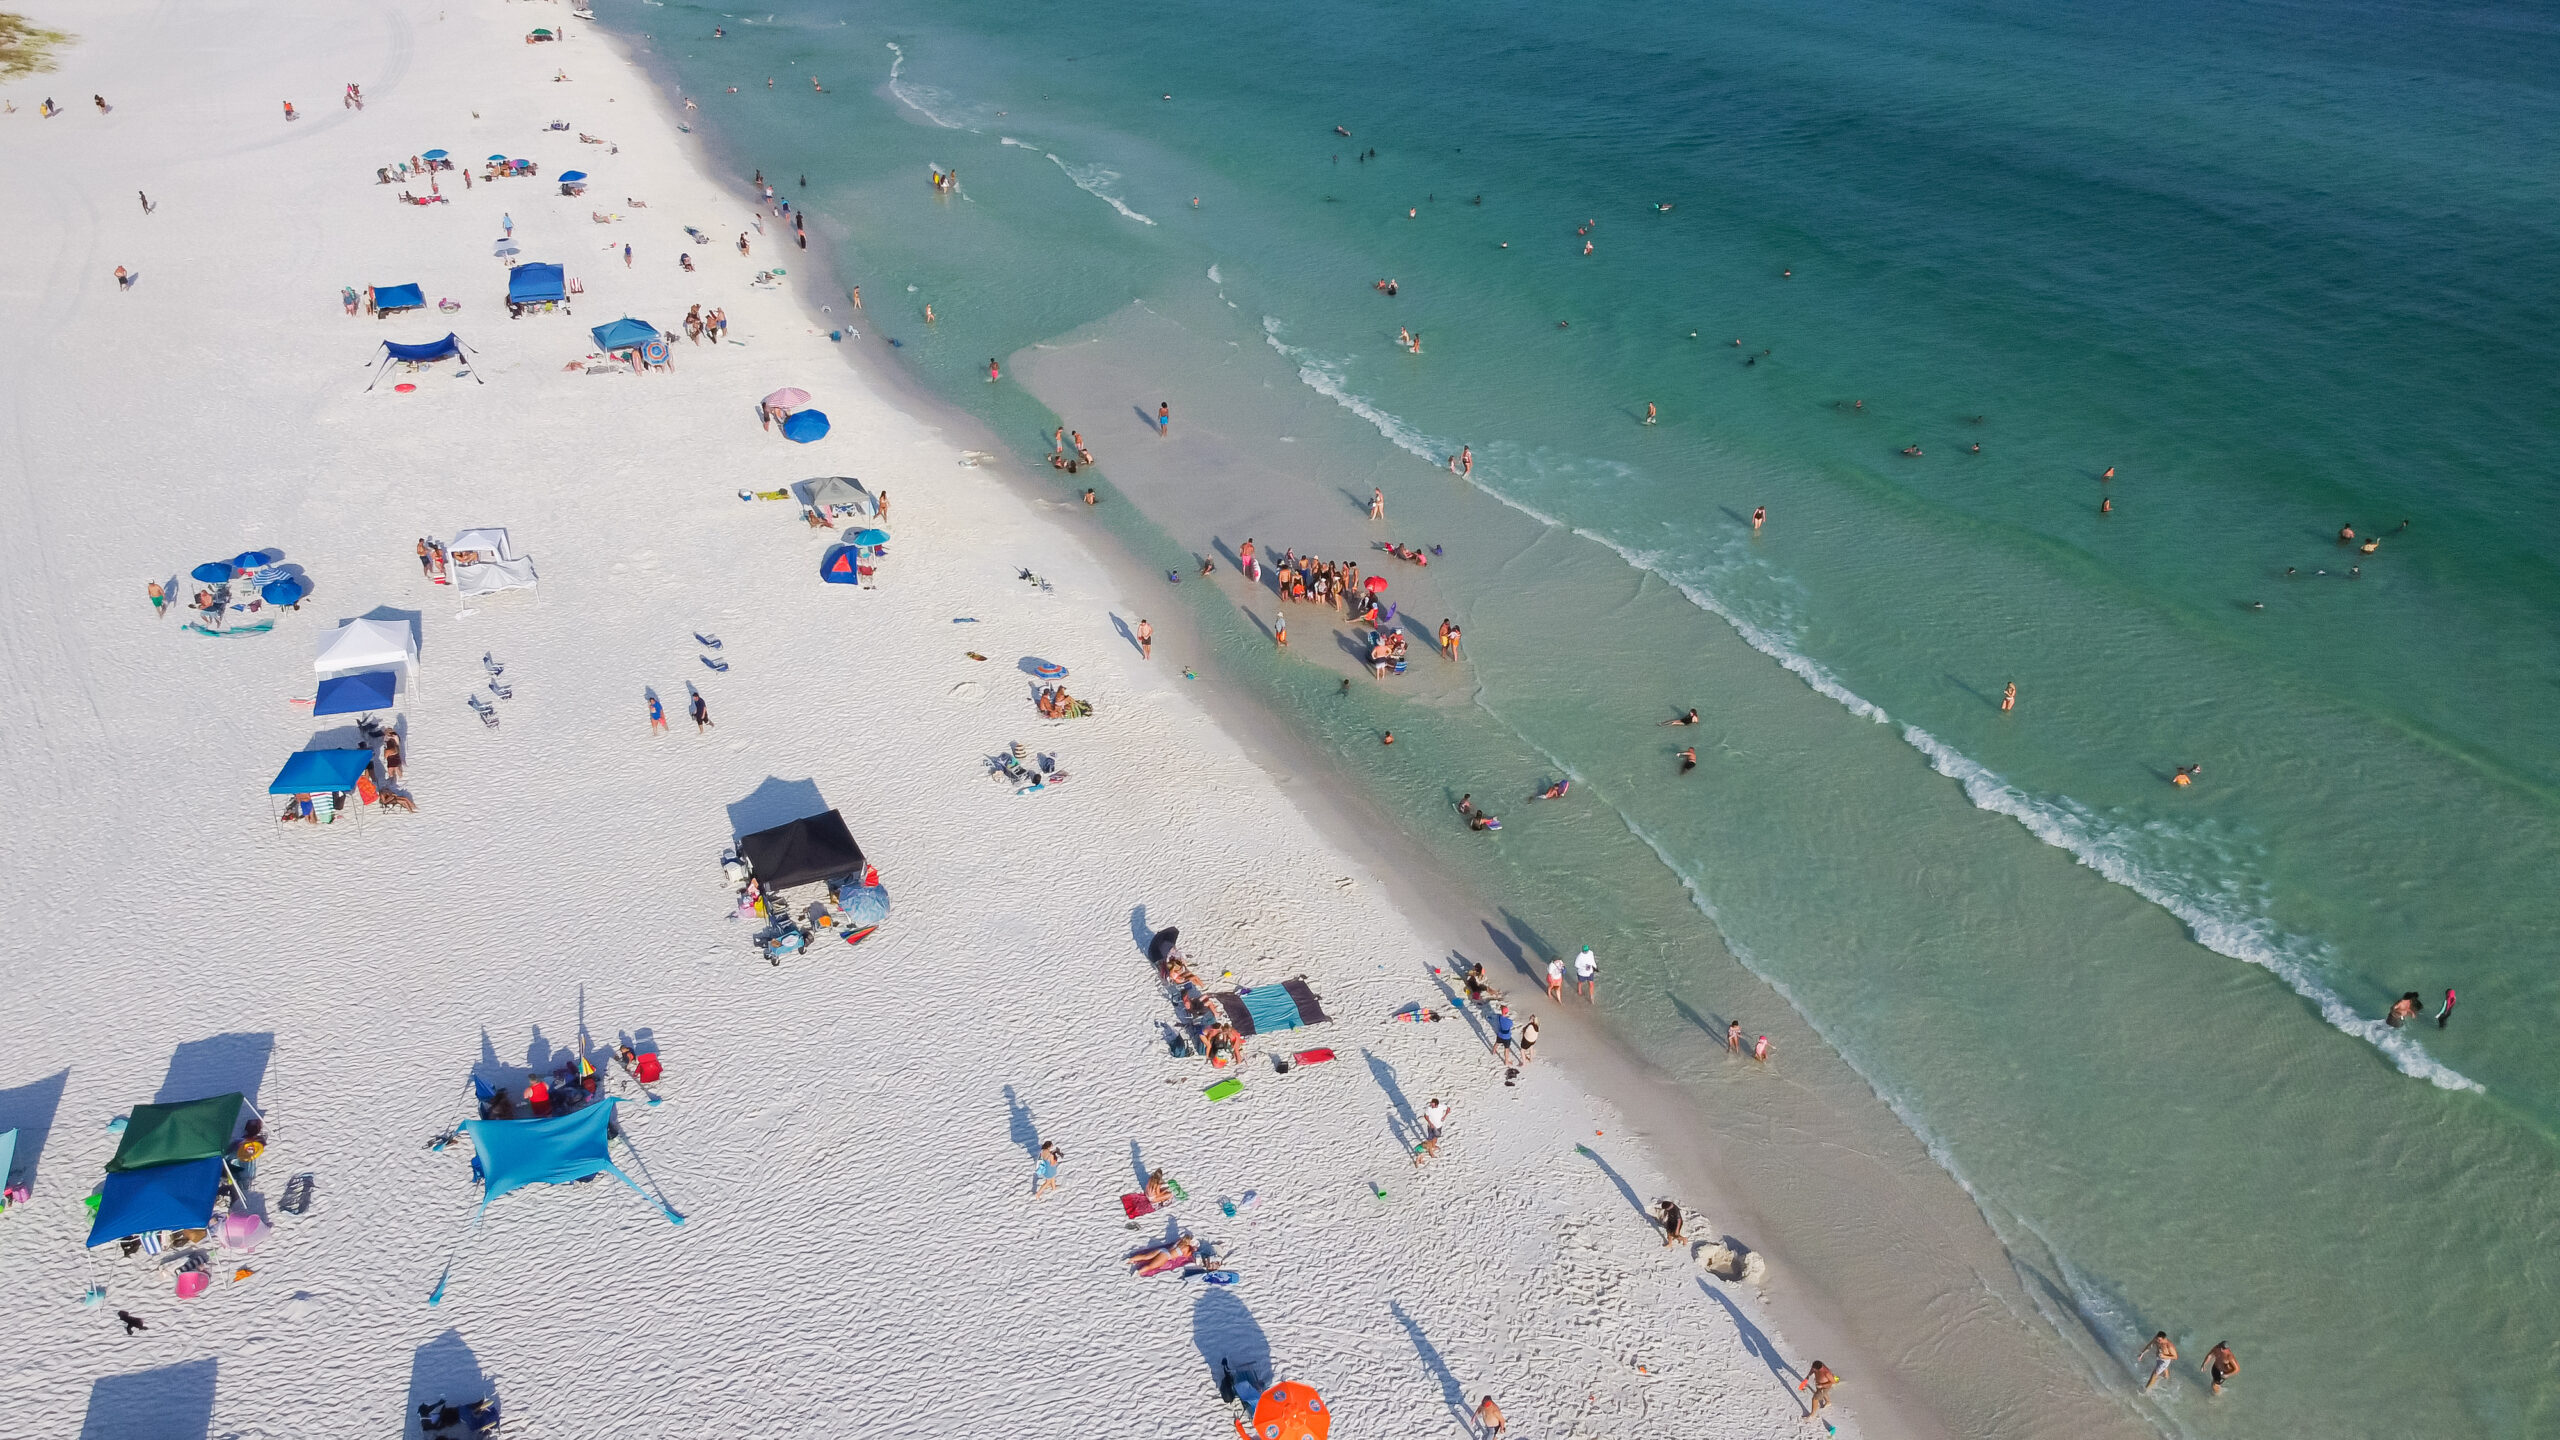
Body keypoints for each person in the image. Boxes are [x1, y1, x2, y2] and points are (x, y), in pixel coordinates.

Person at [1128, 1235, 1198, 1271]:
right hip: (1166, 1255)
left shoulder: (1179, 1241)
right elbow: (1186, 1256)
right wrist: (1193, 1250)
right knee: (1150, 1266)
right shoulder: (1187, 1248)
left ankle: (1130, 1259)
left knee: (1145, 1256)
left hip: (1163, 1250)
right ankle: (1138, 1272)